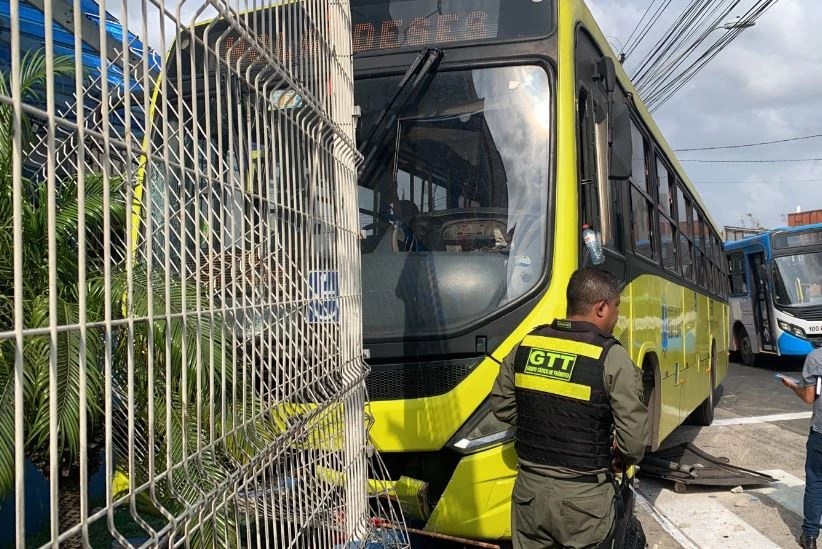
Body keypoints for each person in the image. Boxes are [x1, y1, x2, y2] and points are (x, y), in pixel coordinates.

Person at [490, 268, 650, 548]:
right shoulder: (611, 357)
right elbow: (634, 444)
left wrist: (540, 423)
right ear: (601, 308)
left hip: (529, 494)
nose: (617, 316)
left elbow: (501, 406)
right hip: (585, 501)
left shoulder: (526, 345)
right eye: (616, 308)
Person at [779, 345, 822, 549]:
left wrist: (792, 385)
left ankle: (810, 537)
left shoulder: (815, 357)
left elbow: (808, 398)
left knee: (815, 482)